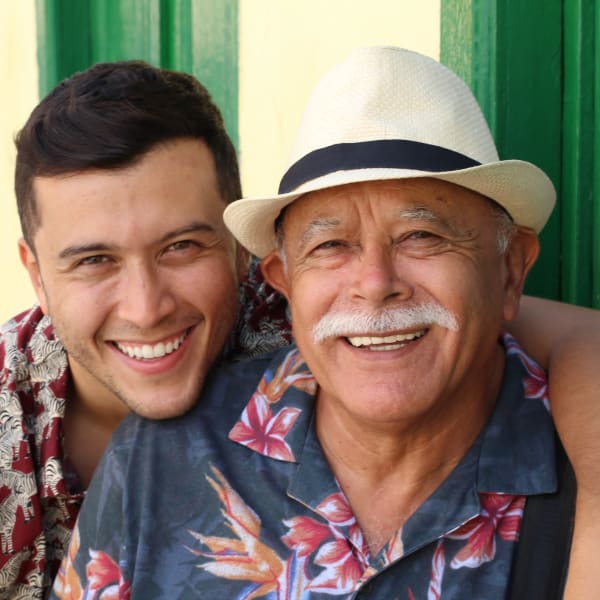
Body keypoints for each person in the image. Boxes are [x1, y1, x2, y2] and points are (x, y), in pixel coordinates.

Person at [52, 47, 599, 599]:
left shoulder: (581, 460)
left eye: (422, 237)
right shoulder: (158, 460)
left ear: (509, 270)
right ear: (282, 283)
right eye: (331, 245)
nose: (375, 281)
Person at [0, 60, 291, 598]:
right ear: (36, 275)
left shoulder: (326, 361)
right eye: (94, 260)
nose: (146, 308)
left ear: (239, 248)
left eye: (181, 247)